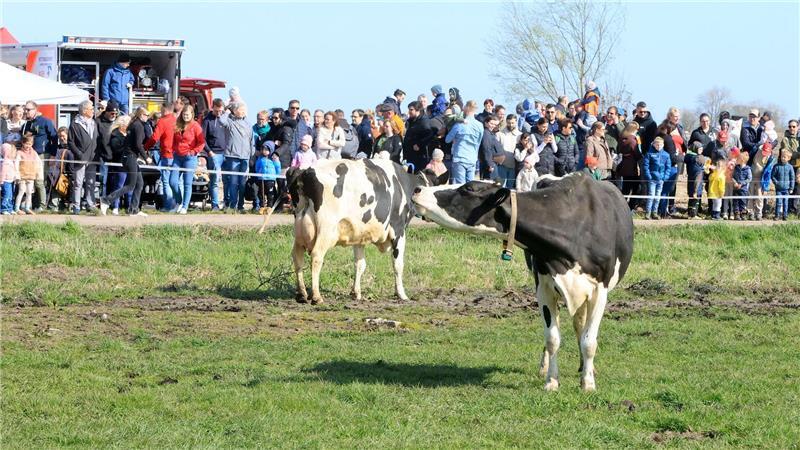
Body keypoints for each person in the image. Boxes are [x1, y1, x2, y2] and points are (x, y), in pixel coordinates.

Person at [100, 108, 152, 217]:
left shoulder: (136, 124)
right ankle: (106, 200)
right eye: (146, 114)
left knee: (139, 184)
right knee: (131, 185)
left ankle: (134, 209)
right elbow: (138, 144)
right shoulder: (137, 125)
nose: (148, 116)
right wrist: (146, 157)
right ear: (140, 115)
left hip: (129, 157)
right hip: (130, 157)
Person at [20, 101, 57, 210]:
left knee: (40, 180)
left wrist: (53, 155)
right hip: (28, 155)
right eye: (25, 109)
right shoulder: (26, 124)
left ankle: (42, 205)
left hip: (42, 154)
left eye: (28, 109)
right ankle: (31, 204)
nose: (26, 111)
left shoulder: (45, 121)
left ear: (35, 109)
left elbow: (54, 138)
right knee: (29, 179)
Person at [217, 102, 254, 212]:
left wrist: (251, 153)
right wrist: (227, 112)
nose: (243, 112)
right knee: (233, 182)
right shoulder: (229, 121)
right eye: (241, 110)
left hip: (245, 157)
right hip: (233, 156)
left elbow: (251, 139)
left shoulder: (247, 123)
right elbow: (221, 121)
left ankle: (240, 206)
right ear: (235, 110)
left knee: (242, 183)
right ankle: (232, 206)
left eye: (244, 110)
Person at [170, 105, 205, 214]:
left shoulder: (196, 126)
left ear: (192, 115)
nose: (185, 116)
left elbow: (201, 143)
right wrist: (173, 150)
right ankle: (179, 202)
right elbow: (174, 140)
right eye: (184, 114)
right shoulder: (178, 124)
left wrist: (193, 151)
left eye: (187, 115)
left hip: (190, 158)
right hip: (177, 157)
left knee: (187, 183)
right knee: (172, 181)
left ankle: (185, 206)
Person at [145, 102, 178, 210]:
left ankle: (169, 206)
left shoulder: (163, 121)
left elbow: (155, 138)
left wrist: (144, 147)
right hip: (178, 155)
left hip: (167, 154)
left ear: (165, 110)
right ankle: (179, 205)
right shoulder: (177, 120)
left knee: (166, 181)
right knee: (177, 181)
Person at [68, 100, 98, 215]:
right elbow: (71, 142)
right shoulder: (75, 124)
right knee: (78, 182)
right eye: (91, 109)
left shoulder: (94, 123)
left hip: (93, 157)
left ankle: (91, 204)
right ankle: (76, 206)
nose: (93, 111)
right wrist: (79, 154)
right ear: (85, 111)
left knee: (91, 182)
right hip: (80, 158)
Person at [445, 101, 483, 183]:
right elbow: (479, 142)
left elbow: (447, 140)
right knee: (471, 184)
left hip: (459, 158)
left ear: (467, 108)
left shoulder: (459, 125)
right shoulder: (480, 125)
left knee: (460, 185)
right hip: (472, 158)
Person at [202, 98, 228, 211]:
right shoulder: (207, 120)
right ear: (213, 108)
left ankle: (228, 204)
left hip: (226, 153)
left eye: (221, 111)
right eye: (217, 111)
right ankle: (215, 205)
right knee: (215, 180)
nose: (219, 113)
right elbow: (202, 139)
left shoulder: (226, 119)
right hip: (214, 154)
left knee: (227, 179)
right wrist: (209, 151)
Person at [105, 114, 132, 215]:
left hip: (129, 163)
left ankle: (129, 206)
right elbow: (116, 149)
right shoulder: (115, 135)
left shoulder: (129, 135)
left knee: (130, 186)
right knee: (119, 185)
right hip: (120, 164)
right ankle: (115, 206)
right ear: (123, 125)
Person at [642, 137, 670, 220]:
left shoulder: (666, 155)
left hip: (661, 179)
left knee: (657, 197)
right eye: (657, 144)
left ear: (663, 145)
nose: (658, 146)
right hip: (652, 179)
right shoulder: (649, 154)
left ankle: (655, 212)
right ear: (653, 144)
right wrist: (649, 176)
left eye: (660, 144)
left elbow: (668, 167)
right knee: (651, 196)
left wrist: (665, 177)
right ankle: (648, 213)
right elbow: (645, 166)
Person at [403, 101, 436, 172]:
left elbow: (429, 135)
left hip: (420, 156)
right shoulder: (411, 121)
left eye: (411, 110)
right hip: (410, 155)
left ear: (417, 110)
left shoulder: (424, 121)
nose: (409, 112)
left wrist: (419, 144)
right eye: (409, 109)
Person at [14, 136, 41, 215]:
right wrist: (17, 174)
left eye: (29, 144)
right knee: (21, 191)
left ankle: (27, 208)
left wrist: (37, 173)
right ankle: (16, 208)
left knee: (29, 192)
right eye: (26, 144)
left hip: (31, 176)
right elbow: (16, 163)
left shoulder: (34, 153)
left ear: (32, 144)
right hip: (22, 176)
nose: (28, 146)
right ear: (23, 143)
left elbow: (38, 163)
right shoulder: (19, 153)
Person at [616, 128, 642, 209]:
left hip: (624, 166)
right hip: (633, 167)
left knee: (625, 188)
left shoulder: (622, 139)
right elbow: (637, 154)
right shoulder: (632, 140)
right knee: (635, 189)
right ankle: (630, 208)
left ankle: (621, 207)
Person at [252, 144, 281, 212]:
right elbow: (257, 167)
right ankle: (262, 206)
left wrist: (274, 176)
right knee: (261, 193)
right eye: (263, 150)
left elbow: (278, 169)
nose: (264, 151)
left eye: (266, 150)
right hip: (262, 179)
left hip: (270, 179)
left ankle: (269, 207)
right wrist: (259, 174)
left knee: (270, 193)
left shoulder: (274, 159)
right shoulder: (260, 159)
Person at [684, 141, 706, 219]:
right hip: (697, 182)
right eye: (700, 149)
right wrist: (696, 190)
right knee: (695, 197)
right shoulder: (698, 159)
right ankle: (693, 215)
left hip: (690, 179)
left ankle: (690, 213)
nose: (702, 150)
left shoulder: (689, 157)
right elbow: (698, 175)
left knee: (691, 197)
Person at [772, 150, 794, 220]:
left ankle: (785, 215)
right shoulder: (776, 166)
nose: (783, 158)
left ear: (788, 158)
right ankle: (777, 215)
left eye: (784, 157)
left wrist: (791, 188)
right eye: (782, 156)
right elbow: (772, 176)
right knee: (778, 202)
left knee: (786, 203)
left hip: (787, 189)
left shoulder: (790, 167)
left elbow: (792, 178)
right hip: (779, 189)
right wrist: (776, 183)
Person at [732, 152, 752, 220]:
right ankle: (736, 214)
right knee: (736, 201)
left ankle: (743, 214)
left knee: (743, 201)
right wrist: (735, 183)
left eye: (738, 158)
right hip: (736, 188)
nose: (737, 159)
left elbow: (749, 179)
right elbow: (732, 177)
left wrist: (742, 184)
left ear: (742, 160)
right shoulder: (736, 168)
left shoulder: (748, 169)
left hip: (743, 189)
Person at [1, 143, 17, 214]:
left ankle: (10, 208)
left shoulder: (11, 161)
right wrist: (1, 181)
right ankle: (4, 208)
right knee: (7, 194)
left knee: (11, 195)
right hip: (5, 181)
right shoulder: (5, 162)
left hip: (11, 180)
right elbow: (2, 172)